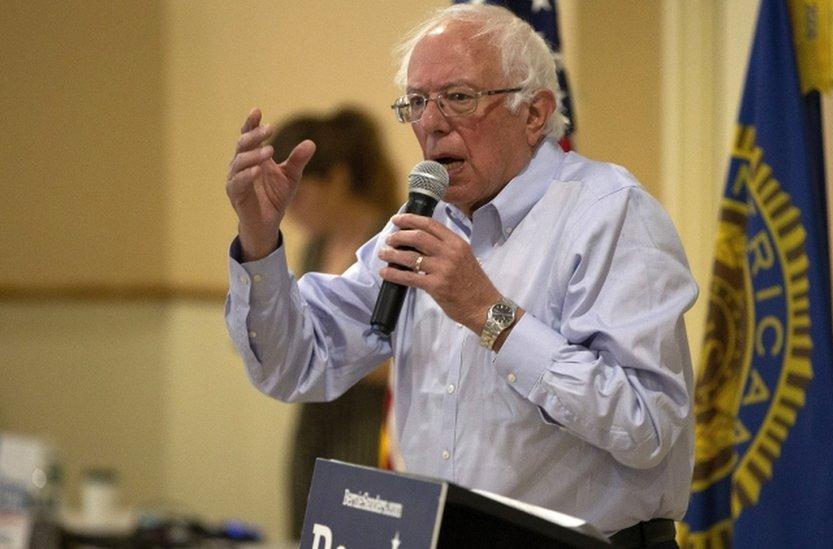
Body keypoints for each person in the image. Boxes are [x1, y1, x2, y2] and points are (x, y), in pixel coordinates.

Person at [224, 4, 697, 547]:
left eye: (459, 98)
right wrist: (259, 240)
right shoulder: (421, 222)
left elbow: (648, 426)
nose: (431, 122)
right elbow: (295, 364)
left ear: (535, 113)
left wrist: (489, 314)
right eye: (418, 102)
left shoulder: (610, 215)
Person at [267, 108, 401, 540]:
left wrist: (334, 351)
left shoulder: (394, 240)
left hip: (370, 430)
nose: (290, 213)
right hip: (315, 429)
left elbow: (410, 353)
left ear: (338, 180)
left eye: (299, 196)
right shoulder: (314, 248)